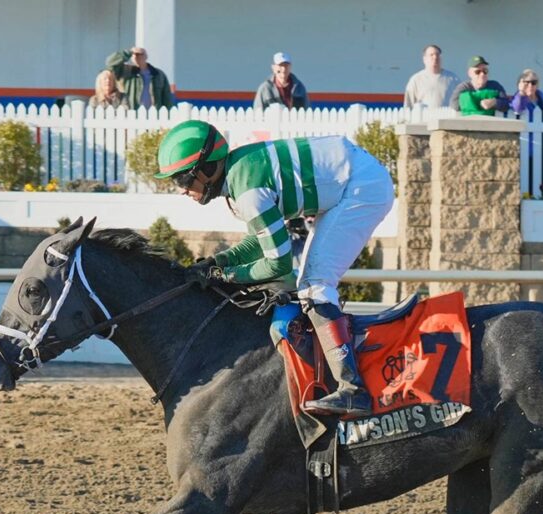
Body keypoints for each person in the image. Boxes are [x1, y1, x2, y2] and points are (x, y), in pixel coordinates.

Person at [154, 120, 394, 418]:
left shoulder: (248, 191)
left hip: (361, 187)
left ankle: (353, 389)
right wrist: (220, 262)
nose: (182, 190)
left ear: (206, 169)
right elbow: (263, 239)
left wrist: (225, 276)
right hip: (351, 177)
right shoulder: (238, 175)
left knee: (314, 284)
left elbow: (278, 264)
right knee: (310, 282)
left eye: (182, 180)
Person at [105, 46, 174, 110]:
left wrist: (168, 114)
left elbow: (167, 97)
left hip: (153, 115)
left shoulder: (158, 74)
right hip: (131, 114)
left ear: (146, 56)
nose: (136, 56)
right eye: (134, 54)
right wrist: (128, 52)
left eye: (140, 54)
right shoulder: (124, 71)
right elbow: (110, 63)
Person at [403, 44, 461, 108]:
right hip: (424, 117)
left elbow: (460, 102)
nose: (435, 57)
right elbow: (408, 105)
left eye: (437, 55)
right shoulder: (416, 80)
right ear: (424, 59)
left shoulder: (453, 79)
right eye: (431, 55)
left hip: (446, 117)